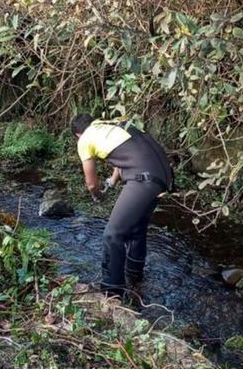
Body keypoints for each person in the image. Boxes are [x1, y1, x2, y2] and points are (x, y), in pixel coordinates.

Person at [71, 114, 173, 296]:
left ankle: (112, 293)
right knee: (137, 228)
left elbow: (92, 183)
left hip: (143, 178)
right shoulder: (116, 125)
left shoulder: (85, 139)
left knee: (112, 235)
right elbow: (123, 157)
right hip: (163, 175)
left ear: (78, 134)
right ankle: (135, 277)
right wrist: (112, 181)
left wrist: (97, 195)